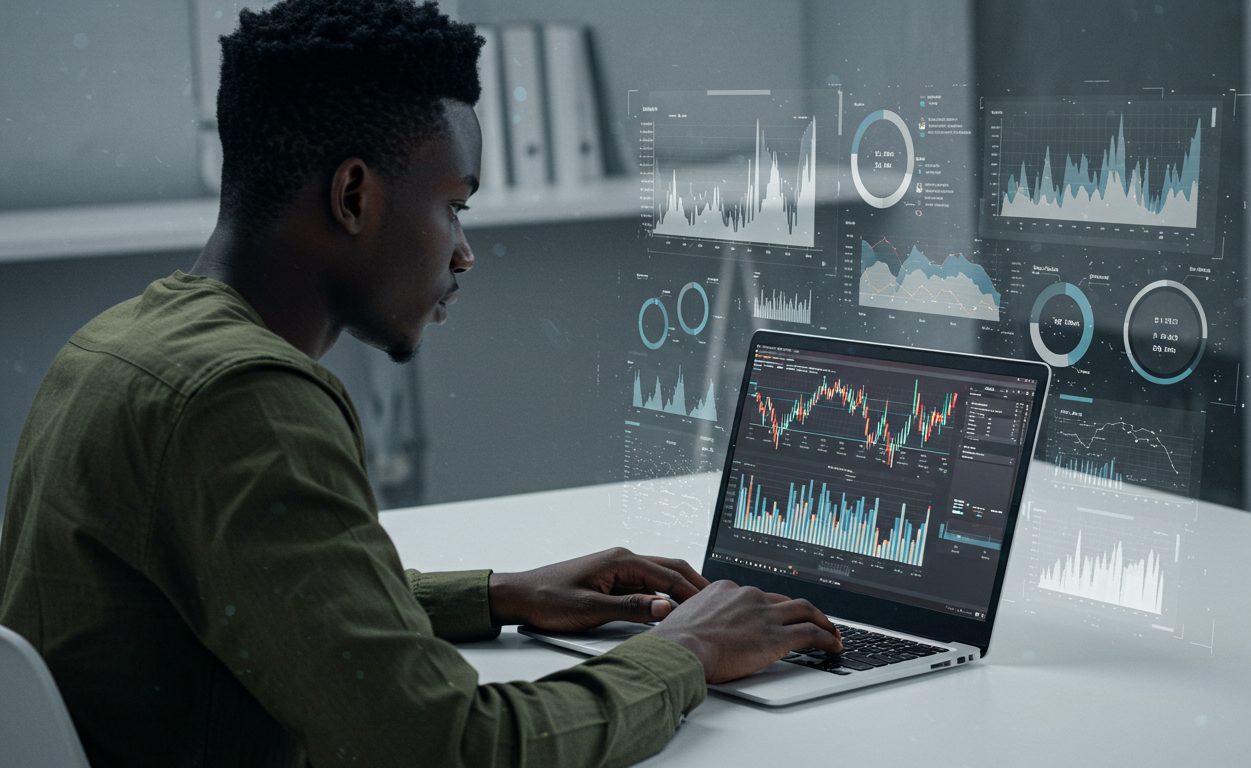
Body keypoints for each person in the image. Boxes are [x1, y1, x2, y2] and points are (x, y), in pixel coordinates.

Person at [0, 1, 842, 765]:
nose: (463, 253)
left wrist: (502, 595)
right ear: (354, 195)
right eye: (454, 206)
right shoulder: (247, 399)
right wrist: (686, 651)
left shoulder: (117, 346)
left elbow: (252, 596)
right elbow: (444, 747)